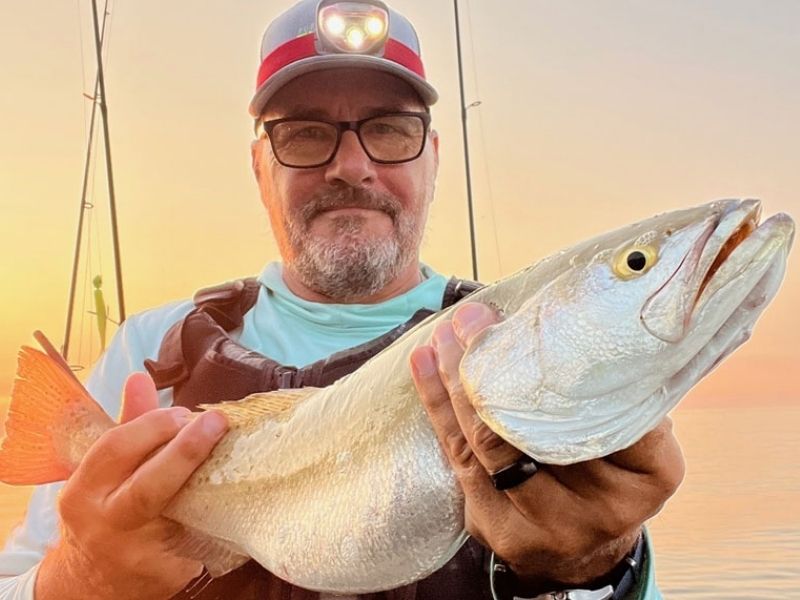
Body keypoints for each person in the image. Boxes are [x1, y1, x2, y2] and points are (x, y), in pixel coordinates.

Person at [0, 1, 684, 598]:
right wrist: (81, 581)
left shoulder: (507, 343)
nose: (351, 166)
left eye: (389, 129)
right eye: (304, 134)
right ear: (259, 167)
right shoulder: (151, 350)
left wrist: (600, 570)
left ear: (434, 157)